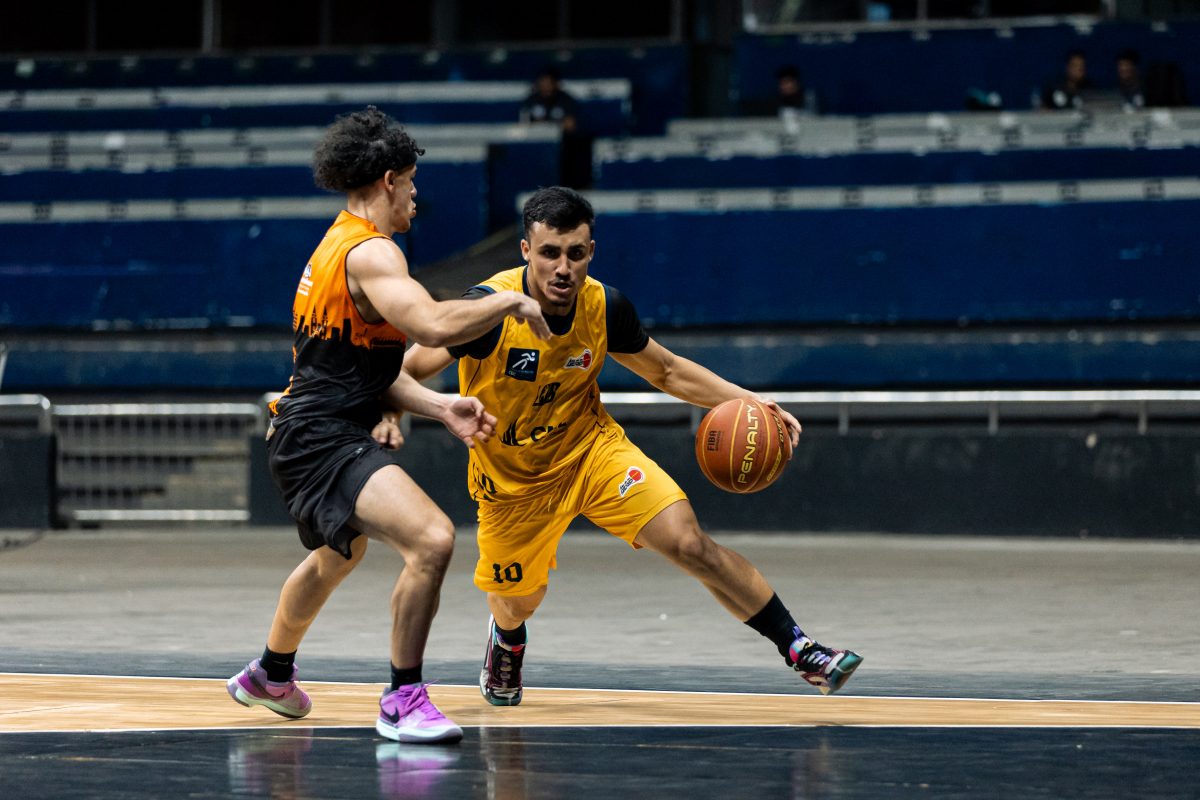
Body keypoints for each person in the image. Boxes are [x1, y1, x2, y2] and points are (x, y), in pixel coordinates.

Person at [392, 186, 862, 707]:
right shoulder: (488, 310)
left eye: (576, 253)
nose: (563, 268)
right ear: (526, 250)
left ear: (591, 251)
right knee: (516, 603)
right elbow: (406, 370)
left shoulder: (604, 305)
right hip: (512, 483)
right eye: (550, 253)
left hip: (592, 453)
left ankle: (800, 648)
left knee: (689, 543)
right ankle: (507, 637)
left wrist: (751, 401)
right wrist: (410, 411)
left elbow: (667, 370)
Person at [225, 106, 552, 743]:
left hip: (310, 428)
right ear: (388, 180)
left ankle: (270, 673)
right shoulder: (373, 253)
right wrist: (510, 300)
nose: (415, 196)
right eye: (411, 182)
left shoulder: (335, 243)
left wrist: (440, 406)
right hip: (322, 435)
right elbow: (430, 325)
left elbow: (364, 371)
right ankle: (403, 699)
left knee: (337, 555)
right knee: (431, 539)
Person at [520, 66, 591, 189]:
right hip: (537, 143)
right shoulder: (532, 100)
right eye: (543, 82)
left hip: (564, 144)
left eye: (549, 82)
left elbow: (570, 125)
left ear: (556, 83)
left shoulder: (566, 99)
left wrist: (547, 125)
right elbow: (524, 125)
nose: (545, 86)